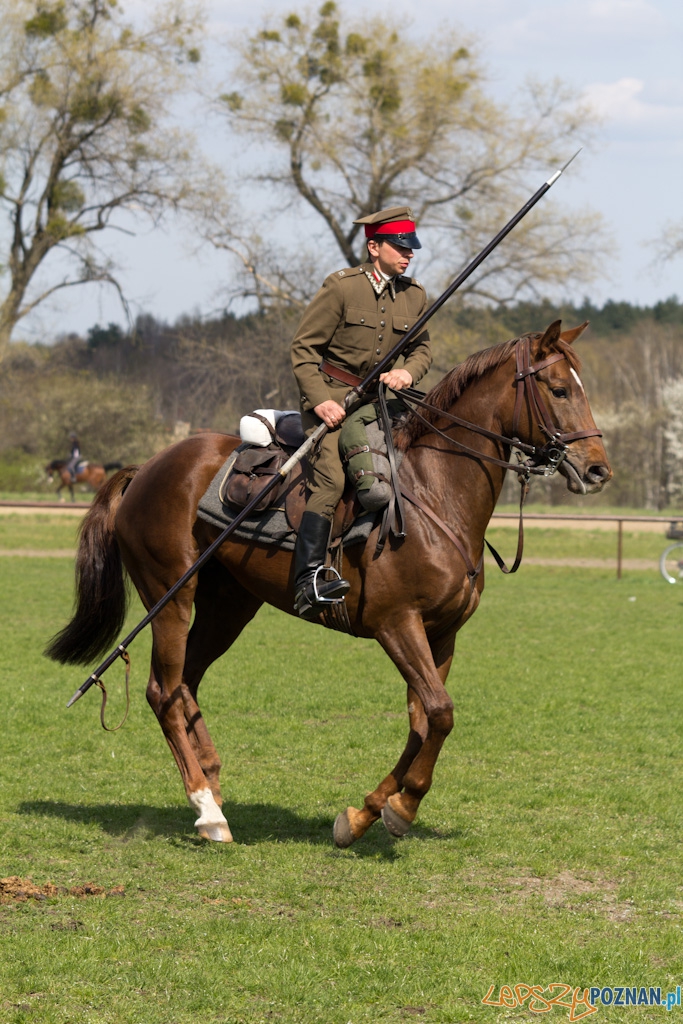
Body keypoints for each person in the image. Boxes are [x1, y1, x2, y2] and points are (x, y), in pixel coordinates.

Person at [290, 206, 432, 619]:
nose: (408, 254)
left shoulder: (415, 294)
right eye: (399, 247)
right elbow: (303, 350)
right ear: (374, 246)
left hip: (380, 405)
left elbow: (421, 348)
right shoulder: (340, 288)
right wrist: (320, 399)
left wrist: (408, 370)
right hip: (332, 399)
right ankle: (308, 579)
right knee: (332, 479)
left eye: (411, 248)